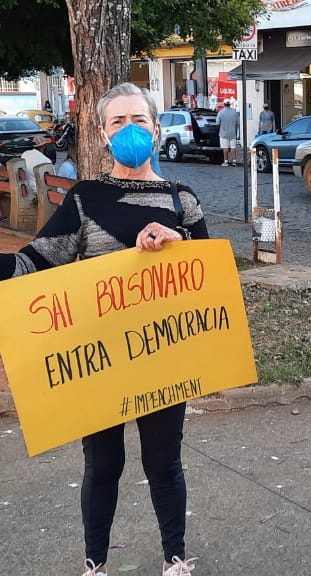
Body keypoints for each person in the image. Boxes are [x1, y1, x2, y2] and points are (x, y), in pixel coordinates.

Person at [0, 82, 207, 576]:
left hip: (164, 356)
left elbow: (210, 270)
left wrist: (179, 239)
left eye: (139, 119)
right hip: (99, 364)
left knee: (164, 464)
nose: (129, 129)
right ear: (102, 132)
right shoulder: (85, 199)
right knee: (103, 466)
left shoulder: (182, 199)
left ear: (155, 129)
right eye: (118, 121)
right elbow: (35, 262)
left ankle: (175, 559)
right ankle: (95, 563)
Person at [217, 98, 240, 166]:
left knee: (225, 148)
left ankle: (226, 161)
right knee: (233, 147)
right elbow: (238, 122)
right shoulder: (234, 112)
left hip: (223, 133)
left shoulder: (221, 112)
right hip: (233, 133)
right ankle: (234, 161)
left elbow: (217, 122)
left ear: (224, 104)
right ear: (230, 104)